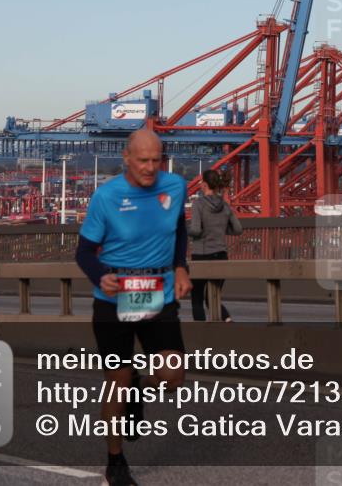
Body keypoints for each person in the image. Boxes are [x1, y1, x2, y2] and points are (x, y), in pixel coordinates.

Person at [75, 128, 191, 486]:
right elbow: (83, 252)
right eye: (143, 160)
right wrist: (100, 276)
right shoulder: (106, 197)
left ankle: (140, 388)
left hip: (159, 292)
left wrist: (181, 266)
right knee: (117, 382)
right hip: (114, 299)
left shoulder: (175, 186)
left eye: (156, 160)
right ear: (126, 158)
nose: (150, 167)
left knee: (173, 376)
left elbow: (178, 230)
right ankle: (115, 462)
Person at [188, 168, 243, 322]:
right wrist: (220, 229)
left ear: (205, 185)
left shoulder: (198, 204)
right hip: (221, 255)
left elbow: (195, 230)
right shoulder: (225, 205)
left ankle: (201, 331)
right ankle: (227, 321)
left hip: (202, 255)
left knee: (197, 298)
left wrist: (186, 231)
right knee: (212, 297)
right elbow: (238, 229)